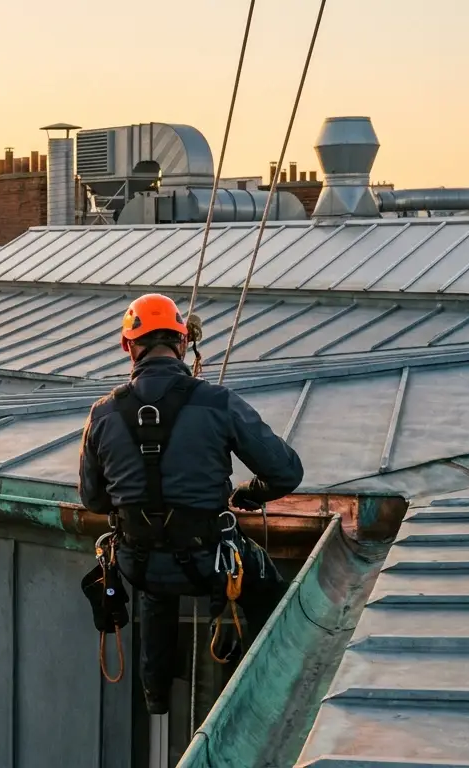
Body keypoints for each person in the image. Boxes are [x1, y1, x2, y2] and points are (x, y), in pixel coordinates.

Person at [77, 293, 303, 715]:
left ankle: (156, 698)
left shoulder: (103, 414)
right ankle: (248, 692)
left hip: (137, 562)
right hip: (208, 560)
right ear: (183, 344)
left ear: (129, 347)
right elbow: (286, 472)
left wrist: (138, 505)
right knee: (266, 589)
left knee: (155, 585)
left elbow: (92, 498)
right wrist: (248, 494)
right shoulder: (218, 403)